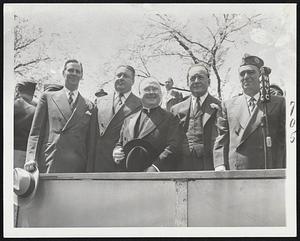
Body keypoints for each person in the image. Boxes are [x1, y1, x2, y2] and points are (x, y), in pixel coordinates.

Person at [214, 54, 286, 171]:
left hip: (270, 168)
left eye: (251, 72)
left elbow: (285, 139)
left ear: (261, 75)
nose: (246, 76)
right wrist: (220, 164)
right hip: (237, 170)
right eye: (242, 74)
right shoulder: (228, 105)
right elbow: (222, 137)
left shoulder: (279, 103)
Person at [24, 59, 94, 173]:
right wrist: (31, 158)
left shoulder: (89, 105)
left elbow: (90, 141)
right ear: (63, 73)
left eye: (77, 71)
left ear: (82, 76)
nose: (74, 74)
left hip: (77, 164)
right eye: (70, 70)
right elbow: (36, 132)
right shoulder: (47, 97)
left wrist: (90, 169)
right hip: (51, 158)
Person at [112, 77, 181, 172]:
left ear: (161, 94)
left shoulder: (170, 118)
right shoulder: (128, 120)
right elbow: (120, 143)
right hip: (129, 176)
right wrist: (116, 151)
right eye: (147, 89)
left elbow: (173, 146)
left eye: (155, 89)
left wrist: (155, 168)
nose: (151, 92)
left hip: (158, 177)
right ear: (139, 94)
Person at [87, 65, 142, 172]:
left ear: (133, 81)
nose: (121, 78)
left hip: (124, 162)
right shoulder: (99, 101)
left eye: (125, 76)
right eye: (118, 75)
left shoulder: (140, 104)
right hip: (100, 163)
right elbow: (92, 136)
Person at [171, 64, 221, 171]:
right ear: (188, 83)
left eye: (200, 77)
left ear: (209, 81)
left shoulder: (220, 107)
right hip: (182, 165)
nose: (196, 81)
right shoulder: (176, 109)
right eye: (192, 78)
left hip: (210, 165)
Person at [14, 81, 37, 168]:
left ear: (17, 91)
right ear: (32, 95)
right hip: (22, 154)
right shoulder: (34, 111)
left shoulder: (10, 105)